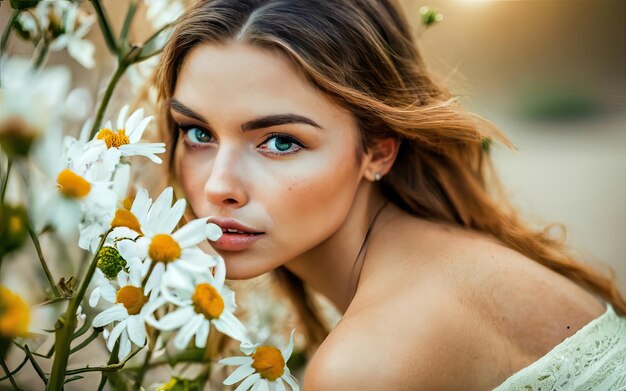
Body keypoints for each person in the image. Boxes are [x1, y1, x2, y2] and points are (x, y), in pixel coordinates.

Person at [154, 0, 626, 389]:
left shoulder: (366, 365)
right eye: (197, 133)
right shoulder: (439, 254)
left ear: (378, 151)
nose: (218, 185)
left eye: (281, 142)